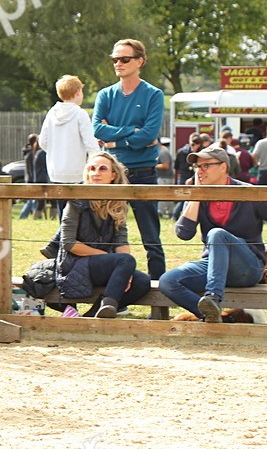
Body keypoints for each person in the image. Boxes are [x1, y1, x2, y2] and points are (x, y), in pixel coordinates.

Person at [159, 144, 267, 323]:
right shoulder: (198, 195)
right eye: (197, 167)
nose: (200, 171)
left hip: (247, 267)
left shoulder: (249, 193)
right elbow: (183, 233)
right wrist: (197, 196)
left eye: (205, 165)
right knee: (167, 281)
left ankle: (213, 297)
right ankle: (216, 316)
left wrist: (265, 260)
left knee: (217, 234)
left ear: (223, 167)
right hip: (213, 265)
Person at [92, 38, 165, 279]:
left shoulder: (154, 94)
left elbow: (150, 134)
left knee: (151, 236)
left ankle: (159, 291)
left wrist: (115, 139)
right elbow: (97, 129)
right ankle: (109, 288)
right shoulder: (105, 94)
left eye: (124, 59)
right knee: (106, 234)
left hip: (143, 170)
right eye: (115, 59)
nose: (118, 63)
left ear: (140, 61)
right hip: (111, 173)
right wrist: (131, 132)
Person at [54, 151, 152, 318]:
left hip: (104, 264)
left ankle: (95, 314)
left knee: (143, 281)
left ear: (113, 175)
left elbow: (122, 241)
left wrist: (126, 271)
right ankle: (109, 304)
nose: (96, 173)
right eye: (92, 168)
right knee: (125, 260)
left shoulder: (118, 202)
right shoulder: (75, 200)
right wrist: (114, 260)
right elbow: (68, 243)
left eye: (102, 169)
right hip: (74, 264)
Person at [39, 74, 97, 217]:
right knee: (78, 214)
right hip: (77, 171)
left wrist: (54, 152)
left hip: (56, 171)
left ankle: (62, 238)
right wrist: (97, 160)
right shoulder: (80, 114)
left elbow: (43, 141)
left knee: (62, 212)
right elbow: (90, 142)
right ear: (78, 92)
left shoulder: (52, 113)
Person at [19, 135, 49, 220]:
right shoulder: (33, 154)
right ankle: (24, 216)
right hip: (34, 179)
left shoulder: (31, 153)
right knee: (33, 200)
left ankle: (31, 216)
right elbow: (32, 169)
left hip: (32, 178)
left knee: (34, 200)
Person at [155, 137, 175, 218]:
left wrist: (153, 166)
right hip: (162, 177)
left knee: (164, 196)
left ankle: (165, 213)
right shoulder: (159, 151)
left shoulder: (163, 152)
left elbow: (166, 165)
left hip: (165, 178)